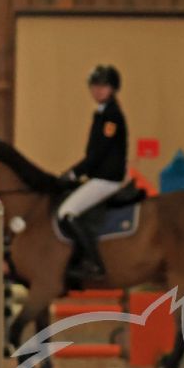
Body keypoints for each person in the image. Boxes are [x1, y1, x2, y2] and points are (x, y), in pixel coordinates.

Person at [59, 64, 128, 283]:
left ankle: (94, 263)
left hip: (106, 179)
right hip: (99, 176)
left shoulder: (111, 116)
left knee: (67, 212)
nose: (97, 90)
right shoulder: (102, 112)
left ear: (112, 88)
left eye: (103, 86)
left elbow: (98, 154)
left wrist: (73, 173)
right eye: (94, 86)